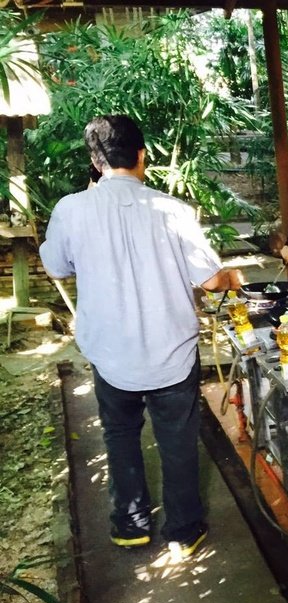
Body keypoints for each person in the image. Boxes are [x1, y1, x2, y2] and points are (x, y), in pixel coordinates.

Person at [39, 115, 242, 558]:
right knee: (177, 440)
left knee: (120, 435)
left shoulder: (70, 209)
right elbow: (209, 281)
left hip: (111, 355)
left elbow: (55, 267)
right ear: (142, 155)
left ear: (95, 162)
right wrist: (231, 277)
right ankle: (184, 531)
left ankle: (129, 525)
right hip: (171, 353)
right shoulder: (173, 210)